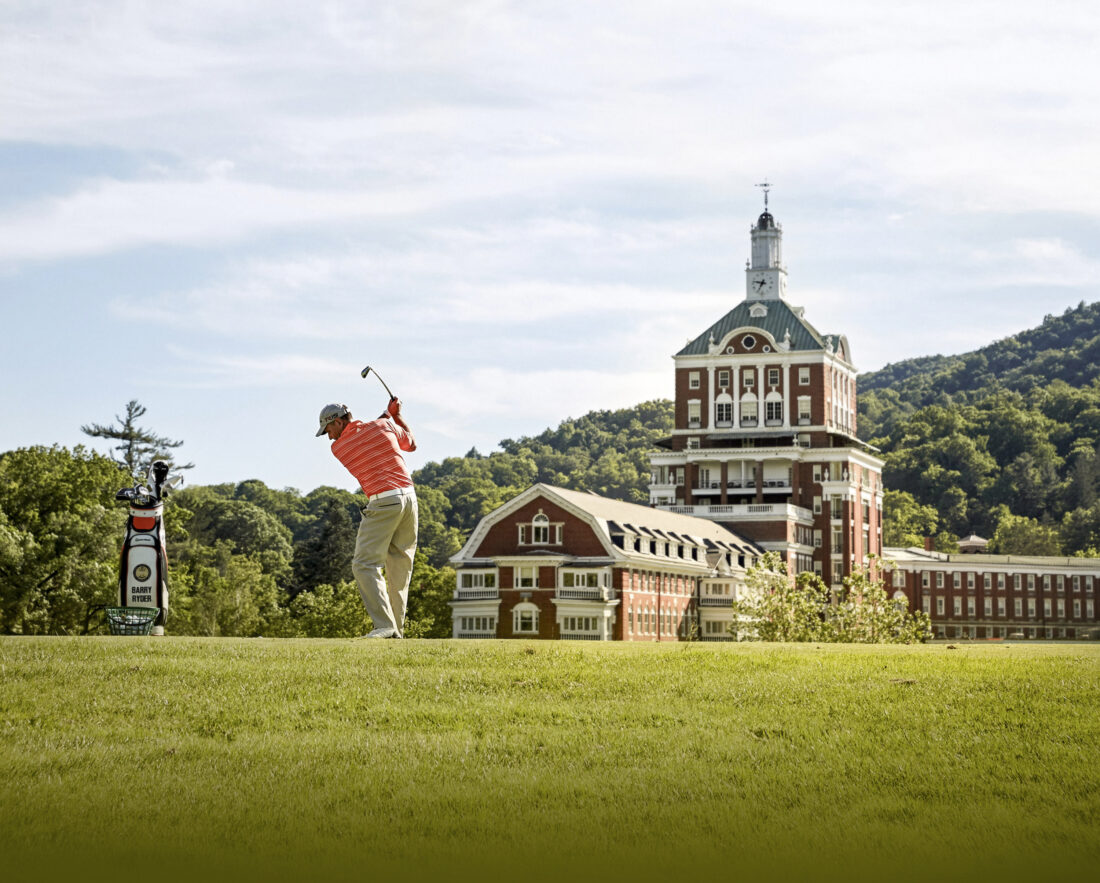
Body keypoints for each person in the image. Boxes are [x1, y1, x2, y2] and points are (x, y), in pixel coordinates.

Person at [315, 398, 417, 638]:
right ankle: (396, 632)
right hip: (410, 500)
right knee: (399, 569)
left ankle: (384, 626)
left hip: (384, 502)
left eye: (329, 430)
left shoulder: (339, 448)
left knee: (364, 564)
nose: (329, 437)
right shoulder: (384, 427)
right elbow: (410, 444)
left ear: (338, 422)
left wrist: (386, 414)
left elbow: (368, 430)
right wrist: (395, 415)